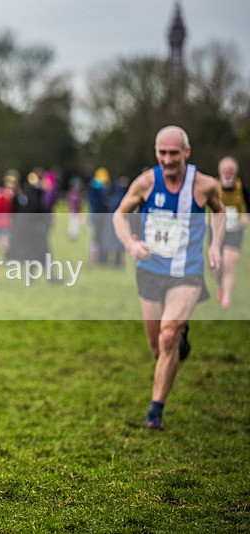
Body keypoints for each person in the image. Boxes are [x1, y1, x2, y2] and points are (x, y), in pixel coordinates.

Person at [112, 125, 225, 430]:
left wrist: (215, 245)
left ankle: (155, 412)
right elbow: (119, 215)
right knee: (157, 348)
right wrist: (132, 243)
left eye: (174, 152)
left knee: (167, 336)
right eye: (162, 152)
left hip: (186, 274)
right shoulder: (147, 182)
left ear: (186, 152)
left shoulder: (205, 185)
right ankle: (179, 342)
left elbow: (220, 212)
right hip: (150, 272)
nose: (167, 158)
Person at [214, 156, 249, 308]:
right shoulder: (213, 187)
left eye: (231, 171)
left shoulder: (242, 188)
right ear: (220, 172)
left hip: (235, 228)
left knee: (229, 262)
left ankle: (227, 297)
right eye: (225, 171)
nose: (228, 174)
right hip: (216, 230)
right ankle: (220, 285)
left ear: (235, 172)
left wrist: (246, 218)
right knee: (216, 266)